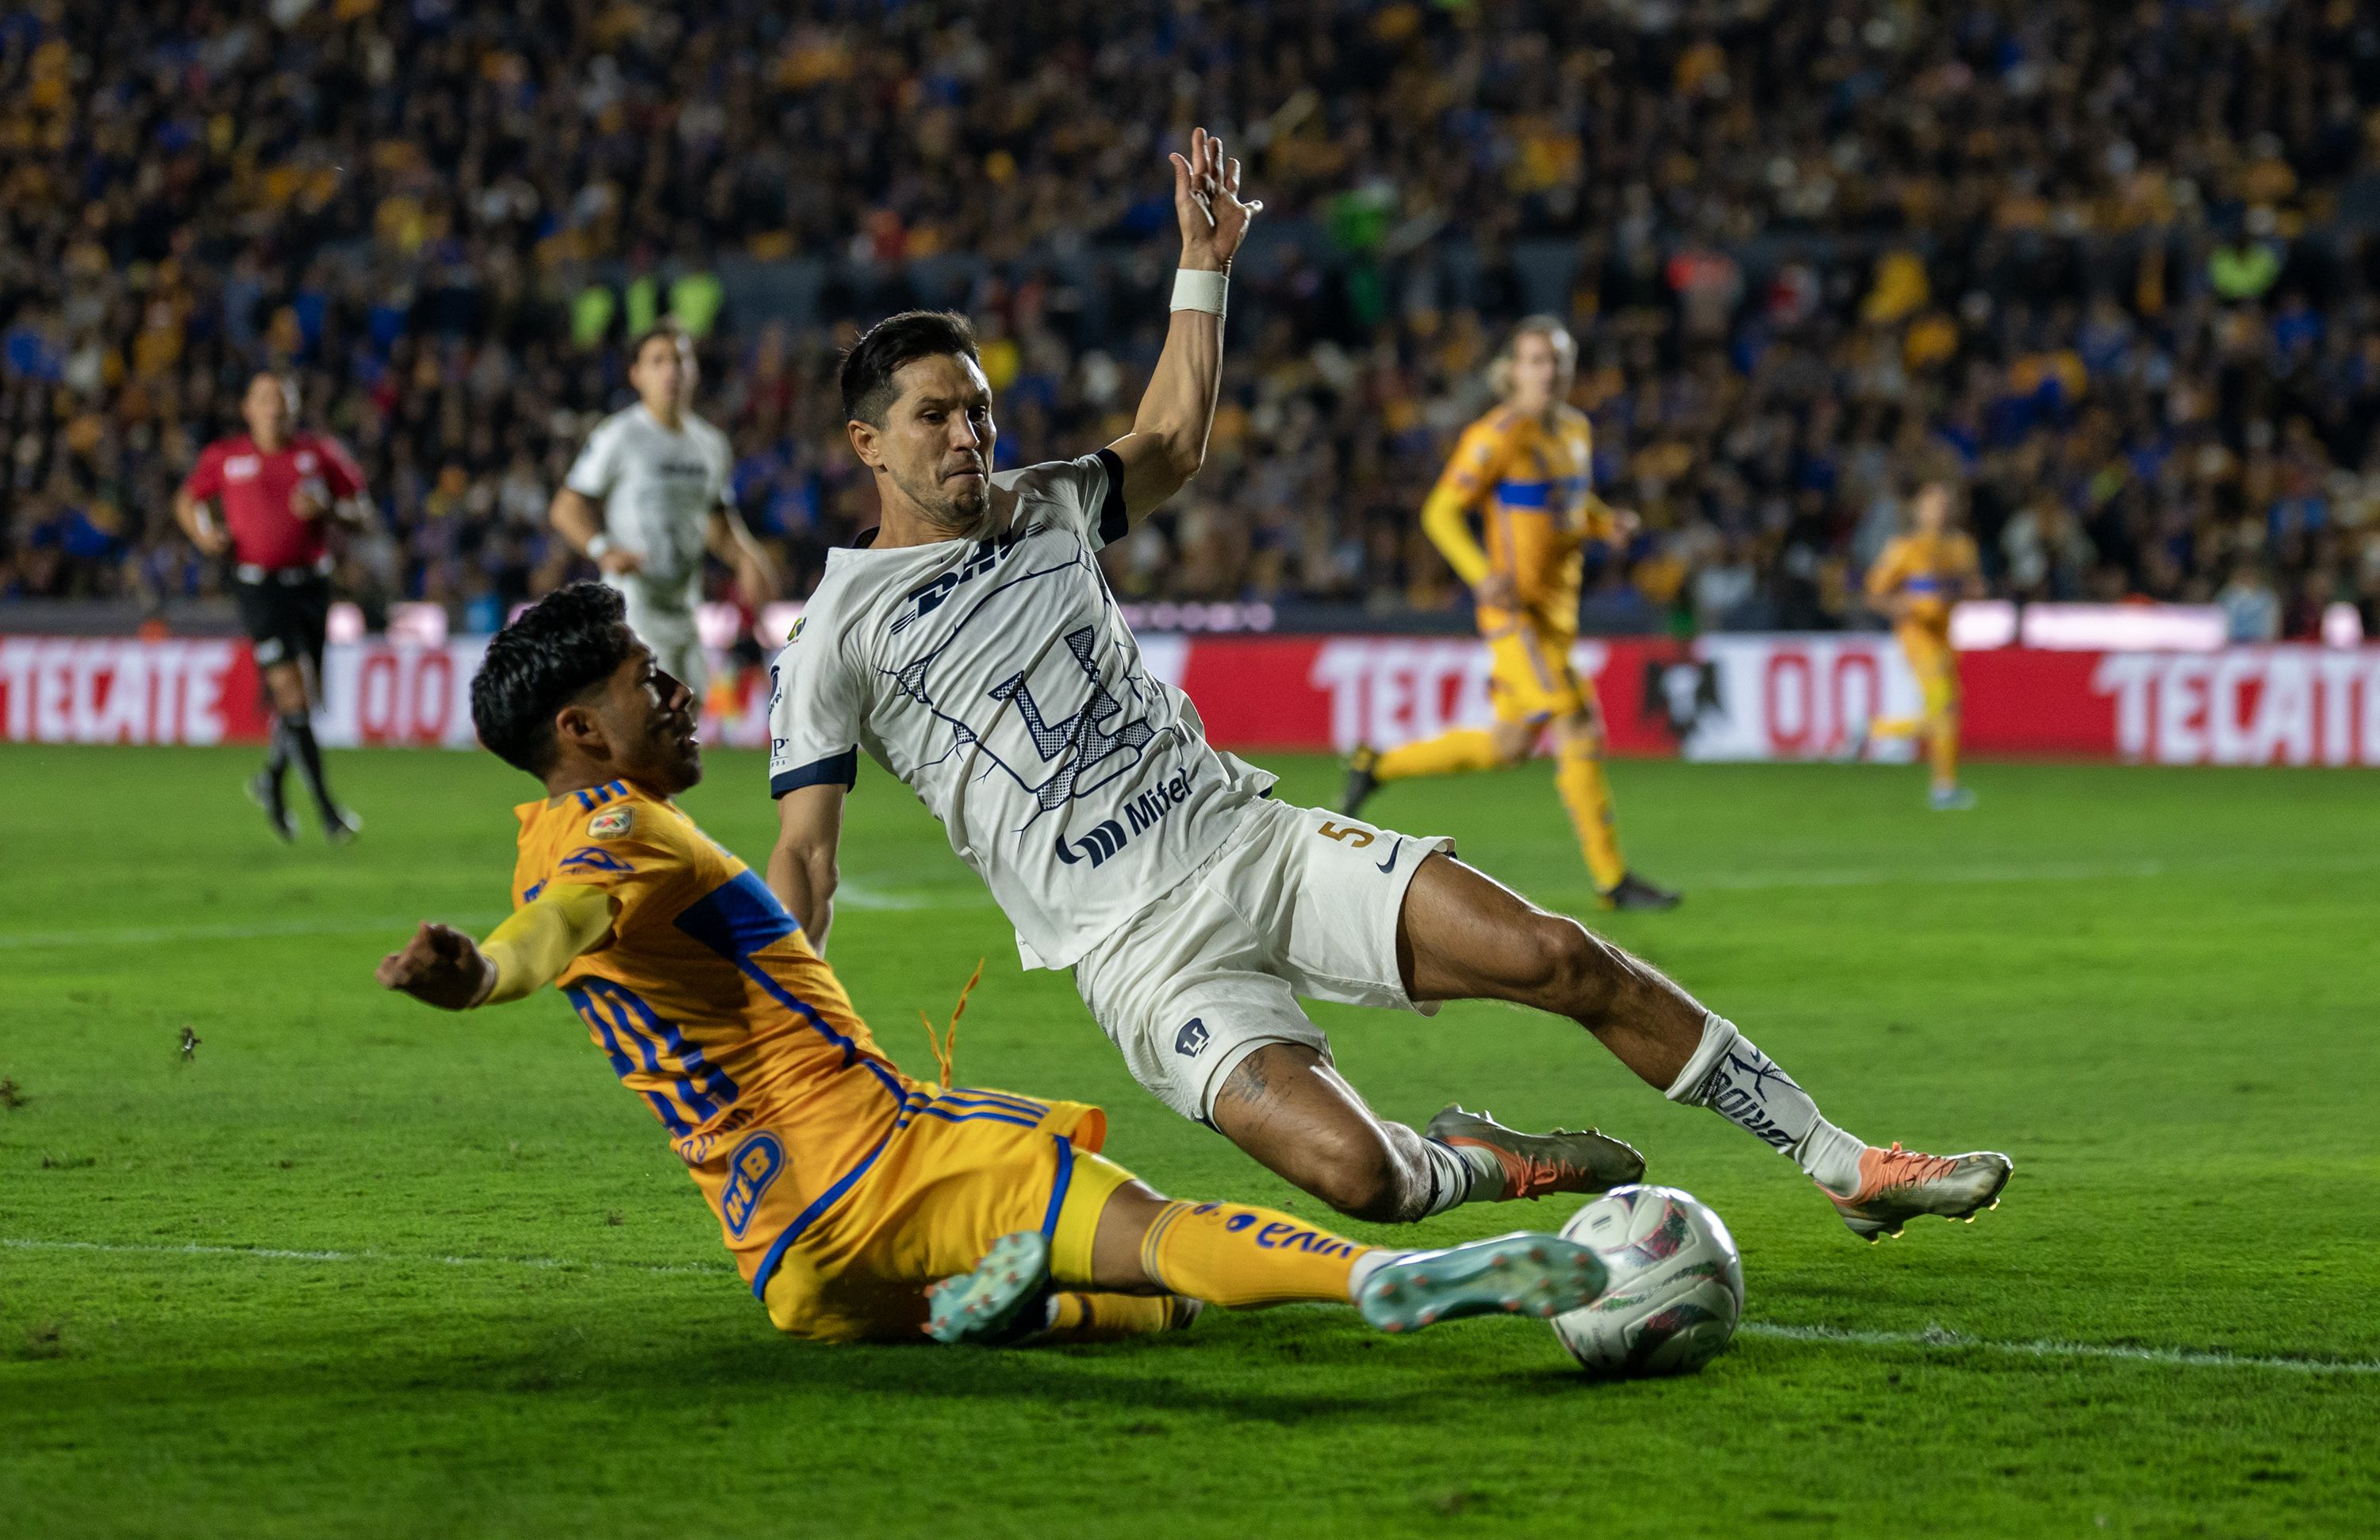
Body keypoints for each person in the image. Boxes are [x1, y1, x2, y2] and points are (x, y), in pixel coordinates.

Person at [765, 128, 2012, 1246]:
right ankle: (1477, 1162)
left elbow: (1175, 441)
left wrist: (1206, 266)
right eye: (936, 418)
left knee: (1558, 954)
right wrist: (792, 1053)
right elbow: (808, 862)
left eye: (979, 409)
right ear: (868, 443)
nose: (970, 437)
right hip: (1140, 955)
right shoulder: (832, 634)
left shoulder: (1046, 503)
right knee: (1360, 1177)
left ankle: (1843, 1160)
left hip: (1255, 842)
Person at [374, 582, 1610, 1346]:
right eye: (649, 682)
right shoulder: (616, 834)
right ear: (582, 731)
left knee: (1134, 1306)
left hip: (786, 1263)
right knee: (1163, 1233)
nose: (681, 693)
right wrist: (483, 976)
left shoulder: (542, 844)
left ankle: (1031, 1307)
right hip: (886, 1161)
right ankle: (1390, 1275)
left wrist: (488, 963)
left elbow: (561, 924)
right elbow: (555, 937)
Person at [1338, 317, 1679, 912]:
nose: (1548, 372)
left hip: (1556, 620)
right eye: (1536, 361)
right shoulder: (1497, 434)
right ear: (1512, 371)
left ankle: (1378, 764)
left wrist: (1607, 523)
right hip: (1514, 615)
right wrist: (1481, 572)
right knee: (1577, 722)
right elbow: (1440, 512)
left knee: (1510, 744)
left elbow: (1571, 506)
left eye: (1558, 361)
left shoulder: (1576, 430)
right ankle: (1612, 880)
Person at [173, 371, 371, 842]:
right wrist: (204, 534)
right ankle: (329, 813)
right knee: (294, 696)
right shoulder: (226, 457)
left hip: (312, 585)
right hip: (258, 588)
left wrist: (328, 509)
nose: (275, 409)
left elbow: (362, 511)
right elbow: (187, 501)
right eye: (265, 400)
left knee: (303, 703)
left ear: (296, 408)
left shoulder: (319, 454)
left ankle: (270, 783)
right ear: (248, 409)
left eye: (283, 400)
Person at [548, 321, 779, 703]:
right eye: (658, 361)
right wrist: (602, 549)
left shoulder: (709, 444)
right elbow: (565, 507)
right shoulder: (619, 436)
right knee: (657, 717)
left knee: (685, 723)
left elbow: (720, 528)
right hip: (632, 608)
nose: (671, 370)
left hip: (685, 608)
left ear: (695, 370)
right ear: (636, 375)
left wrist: (748, 560)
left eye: (679, 359)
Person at [1860, 479, 1984, 809]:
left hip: (1945, 634)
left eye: (1943, 505)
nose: (1938, 512)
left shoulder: (1961, 548)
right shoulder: (1903, 549)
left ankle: (1877, 732)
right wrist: (1902, 607)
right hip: (1917, 637)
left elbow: (1975, 588)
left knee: (1948, 712)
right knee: (1943, 706)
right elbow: (1875, 592)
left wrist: (1956, 592)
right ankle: (1941, 788)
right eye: (1931, 505)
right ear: (1918, 510)